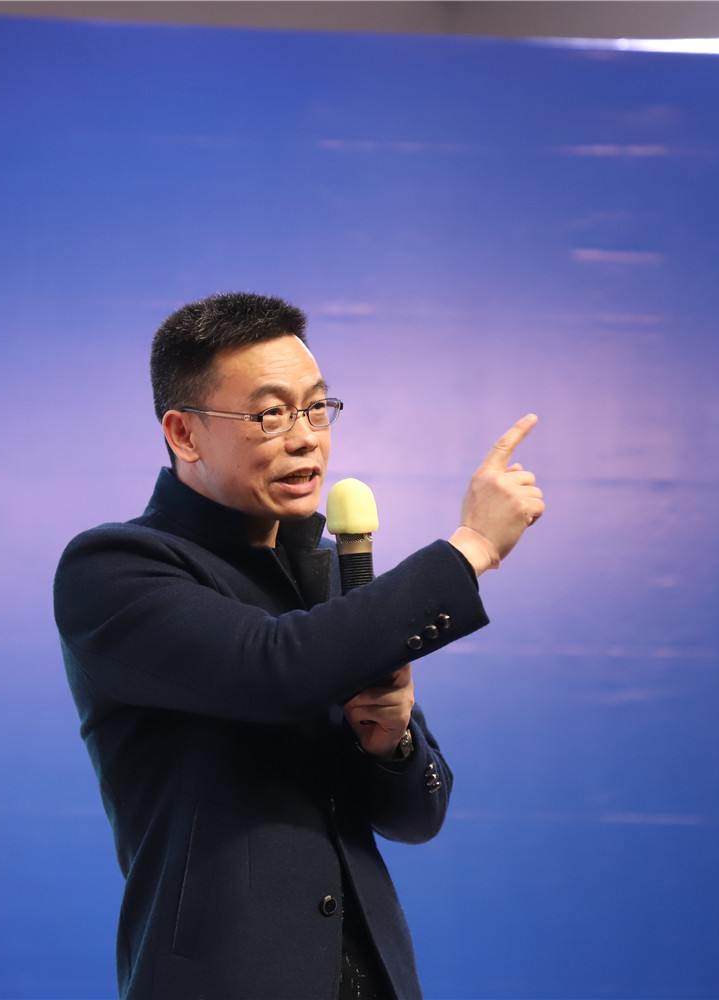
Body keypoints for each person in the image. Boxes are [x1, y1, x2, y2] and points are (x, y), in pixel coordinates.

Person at [54, 292, 543, 999]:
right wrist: (470, 549)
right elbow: (272, 669)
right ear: (184, 434)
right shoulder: (115, 568)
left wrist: (391, 741)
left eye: (317, 408)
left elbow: (416, 817)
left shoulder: (330, 580)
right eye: (270, 414)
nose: (307, 437)